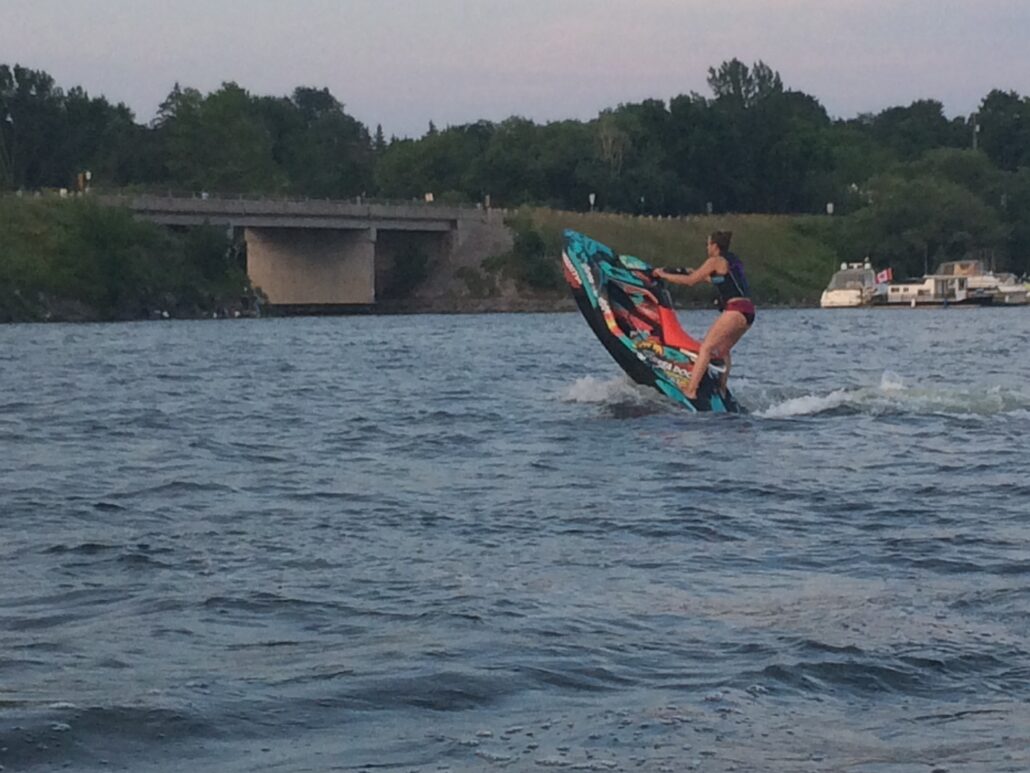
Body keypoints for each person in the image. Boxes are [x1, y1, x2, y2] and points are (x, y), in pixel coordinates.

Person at [652, 231, 755, 401]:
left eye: (708, 244)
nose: (707, 247)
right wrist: (690, 271)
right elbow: (716, 280)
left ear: (715, 246)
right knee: (723, 350)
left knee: (706, 348)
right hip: (749, 311)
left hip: (735, 309)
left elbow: (690, 281)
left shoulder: (715, 260)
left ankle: (691, 390)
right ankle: (721, 389)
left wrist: (664, 275)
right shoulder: (732, 260)